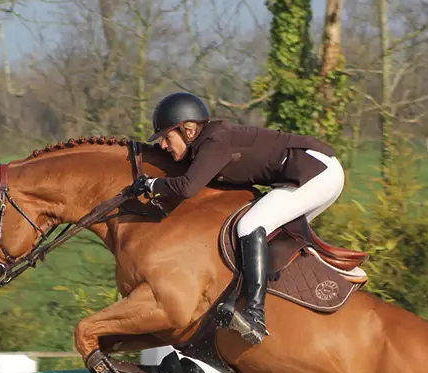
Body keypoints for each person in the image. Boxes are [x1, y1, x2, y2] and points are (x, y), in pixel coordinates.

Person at [131, 91, 345, 345]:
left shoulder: (215, 143)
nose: (164, 145)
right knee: (271, 239)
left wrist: (153, 184)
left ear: (188, 131)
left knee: (251, 225)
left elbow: (187, 188)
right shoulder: (207, 144)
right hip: (313, 172)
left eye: (167, 137)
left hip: (317, 173)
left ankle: (254, 315)